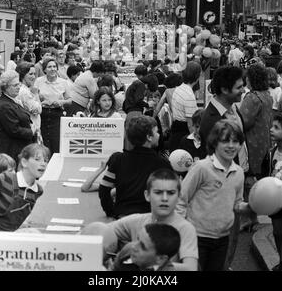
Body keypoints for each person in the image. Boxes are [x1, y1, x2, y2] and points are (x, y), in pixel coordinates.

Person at [177, 120, 250, 271]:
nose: (231, 146)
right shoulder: (201, 168)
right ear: (215, 143)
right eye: (225, 141)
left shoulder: (239, 172)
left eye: (235, 141)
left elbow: (236, 203)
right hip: (196, 237)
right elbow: (181, 199)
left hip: (222, 239)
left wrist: (251, 206)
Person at [101, 168, 198, 271]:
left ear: (178, 197)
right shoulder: (136, 221)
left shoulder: (185, 228)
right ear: (147, 195)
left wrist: (154, 265)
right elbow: (100, 230)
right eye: (158, 192)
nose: (164, 198)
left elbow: (191, 268)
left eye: (170, 193)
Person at [98, 115, 171, 218]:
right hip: (150, 218)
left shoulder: (118, 159)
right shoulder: (163, 163)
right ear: (149, 137)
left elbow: (104, 190)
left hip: (123, 217)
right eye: (157, 132)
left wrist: (111, 212)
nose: (159, 135)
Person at [0, 143, 50, 231]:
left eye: (46, 160)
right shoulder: (6, 178)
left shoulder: (38, 191)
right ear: (24, 162)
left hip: (19, 239)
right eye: (37, 159)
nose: (43, 164)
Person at [239, 64, 273, 184]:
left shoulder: (252, 98)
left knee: (251, 182)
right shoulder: (267, 96)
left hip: (252, 145)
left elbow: (242, 122)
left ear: (251, 79)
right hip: (264, 143)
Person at [0, 71, 35, 165]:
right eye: (15, 85)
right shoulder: (5, 106)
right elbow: (14, 130)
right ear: (5, 87)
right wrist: (31, 131)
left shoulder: (12, 101)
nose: (18, 87)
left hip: (17, 149)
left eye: (19, 84)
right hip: (11, 152)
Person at [35, 58, 72, 155]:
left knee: (56, 142)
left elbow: (69, 100)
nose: (52, 69)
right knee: (43, 142)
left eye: (54, 66)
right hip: (43, 114)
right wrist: (41, 100)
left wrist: (60, 102)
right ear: (44, 70)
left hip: (57, 114)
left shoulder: (63, 82)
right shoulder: (39, 81)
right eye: (49, 67)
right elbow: (34, 97)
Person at [261, 113, 282, 271]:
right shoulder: (272, 151)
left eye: (276, 127)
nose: (271, 130)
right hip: (276, 203)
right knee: (277, 232)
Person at [114, 223, 181, 271]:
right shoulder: (128, 250)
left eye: (143, 247)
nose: (134, 247)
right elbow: (114, 268)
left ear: (160, 259)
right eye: (138, 239)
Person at [169, 61, 201, 152]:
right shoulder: (189, 95)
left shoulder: (179, 88)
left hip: (175, 128)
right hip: (183, 133)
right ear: (197, 76)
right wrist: (196, 143)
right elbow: (190, 124)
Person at [16, 62, 42, 143]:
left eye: (34, 74)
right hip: (31, 131)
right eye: (30, 74)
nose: (34, 77)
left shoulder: (22, 88)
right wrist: (36, 94)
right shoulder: (24, 91)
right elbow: (38, 109)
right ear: (22, 75)